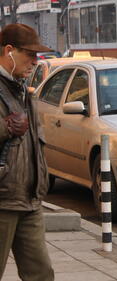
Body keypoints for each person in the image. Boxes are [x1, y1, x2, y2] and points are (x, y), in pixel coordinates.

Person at [0, 24, 54, 280]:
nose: (35, 61)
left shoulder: (21, 88)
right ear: (9, 51)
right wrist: (5, 127)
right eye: (29, 55)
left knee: (41, 274)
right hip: (2, 201)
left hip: (29, 200)